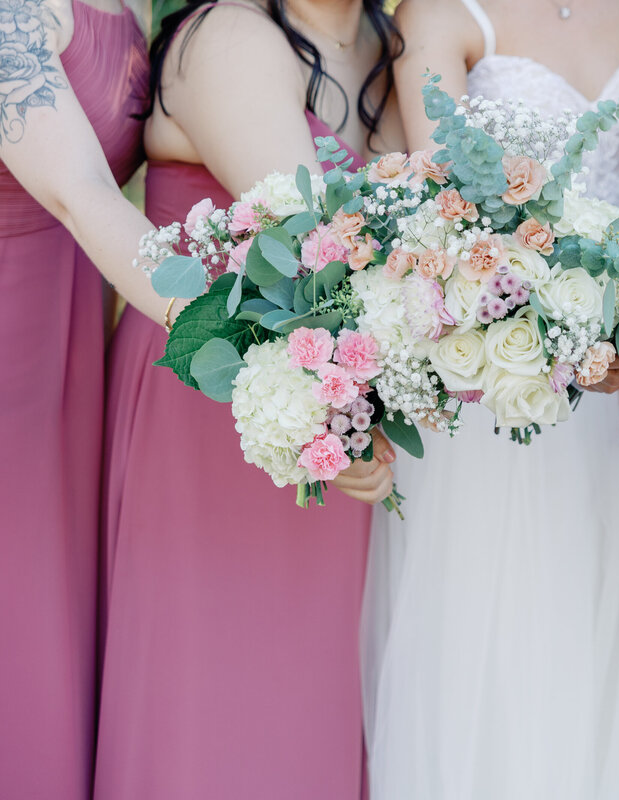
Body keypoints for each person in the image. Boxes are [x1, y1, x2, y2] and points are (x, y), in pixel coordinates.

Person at [360, 0, 619, 797]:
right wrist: (573, 344)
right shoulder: (440, 15)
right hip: (503, 389)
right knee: (515, 657)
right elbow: (448, 217)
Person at [93, 2, 402, 797]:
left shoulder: (381, 38)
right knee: (215, 698)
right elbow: (310, 249)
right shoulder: (231, 33)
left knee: (308, 695)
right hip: (214, 403)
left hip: (333, 406)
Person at [0, 0, 160, 795]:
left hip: (71, 355)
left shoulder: (131, 6)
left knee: (54, 636)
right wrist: (248, 333)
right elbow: (82, 193)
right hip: (10, 361)